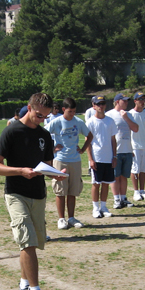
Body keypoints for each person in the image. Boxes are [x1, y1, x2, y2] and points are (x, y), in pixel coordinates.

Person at [0, 93, 67, 290]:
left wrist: (56, 174)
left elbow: (47, 165)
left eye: (45, 116)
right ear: (29, 107)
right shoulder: (11, 131)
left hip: (38, 194)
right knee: (28, 241)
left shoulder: (44, 134)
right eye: (38, 114)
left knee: (35, 242)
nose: (41, 119)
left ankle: (24, 284)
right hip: (16, 193)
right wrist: (19, 171)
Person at [47, 97, 92, 229]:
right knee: (60, 191)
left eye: (74, 111)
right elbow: (43, 133)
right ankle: (61, 219)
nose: (72, 114)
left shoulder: (78, 122)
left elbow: (90, 135)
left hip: (75, 160)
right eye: (70, 111)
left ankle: (71, 218)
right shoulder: (56, 122)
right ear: (63, 109)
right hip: (60, 160)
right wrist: (52, 148)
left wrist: (83, 149)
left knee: (73, 191)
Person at [86, 95, 118, 218]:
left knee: (106, 183)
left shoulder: (110, 121)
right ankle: (95, 208)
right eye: (98, 104)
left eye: (103, 103)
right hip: (96, 157)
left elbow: (113, 139)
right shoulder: (90, 122)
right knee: (96, 184)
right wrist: (91, 159)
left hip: (108, 158)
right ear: (93, 106)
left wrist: (114, 156)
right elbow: (88, 142)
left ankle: (103, 206)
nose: (101, 106)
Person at [106, 93, 139, 208]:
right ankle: (116, 199)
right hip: (115, 151)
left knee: (124, 176)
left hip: (127, 149)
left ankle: (123, 198)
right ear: (117, 102)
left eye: (126, 101)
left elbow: (135, 129)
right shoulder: (109, 115)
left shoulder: (129, 114)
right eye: (123, 101)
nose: (126, 103)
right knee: (115, 176)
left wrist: (125, 117)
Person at [129, 92, 145, 202]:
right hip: (135, 146)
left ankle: (142, 190)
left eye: (144, 99)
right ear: (135, 101)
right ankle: (136, 191)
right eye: (140, 99)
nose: (142, 102)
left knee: (144, 169)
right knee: (135, 170)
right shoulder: (130, 114)